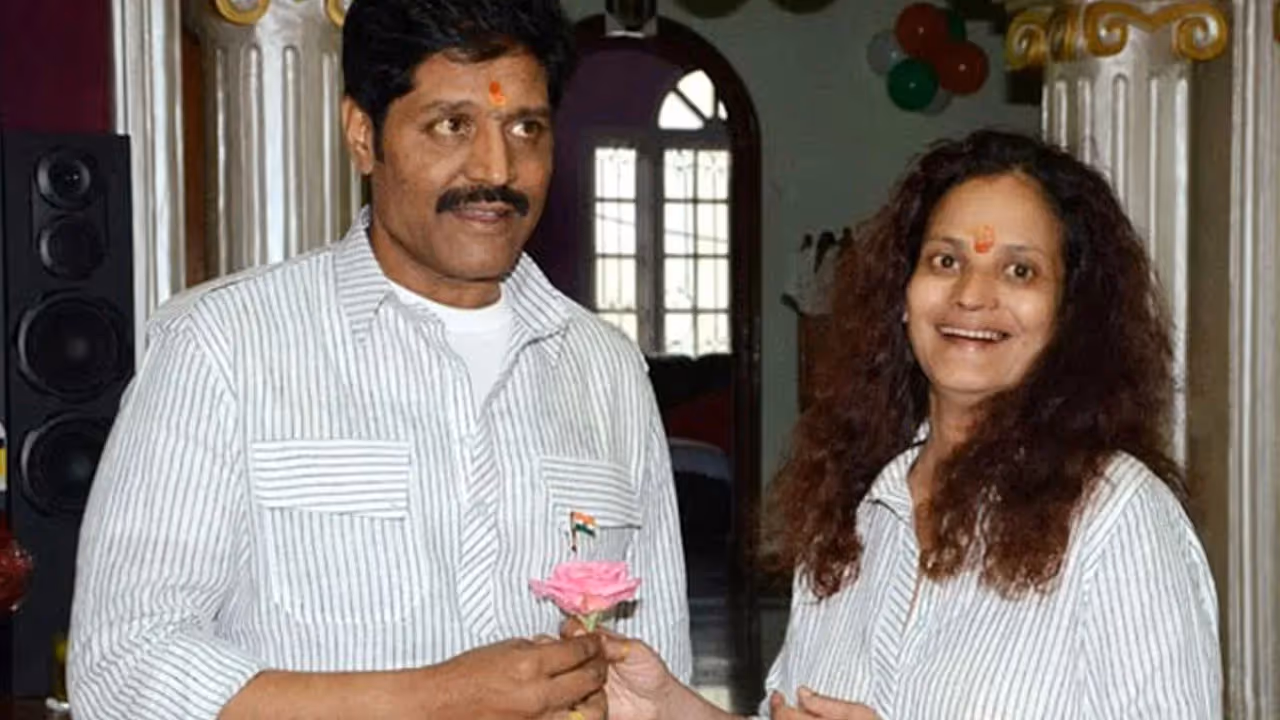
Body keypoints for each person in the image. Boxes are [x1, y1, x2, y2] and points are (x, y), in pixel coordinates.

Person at [67, 0, 691, 717]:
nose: (497, 168)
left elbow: (657, 677)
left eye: (526, 128)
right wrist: (435, 700)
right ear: (363, 135)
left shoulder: (606, 372)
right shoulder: (223, 347)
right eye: (451, 125)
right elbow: (123, 672)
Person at [595, 129, 1221, 720]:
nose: (971, 295)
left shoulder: (1117, 517)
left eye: (1020, 270)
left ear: (1070, 313)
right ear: (903, 293)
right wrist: (667, 707)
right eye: (945, 260)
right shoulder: (852, 510)